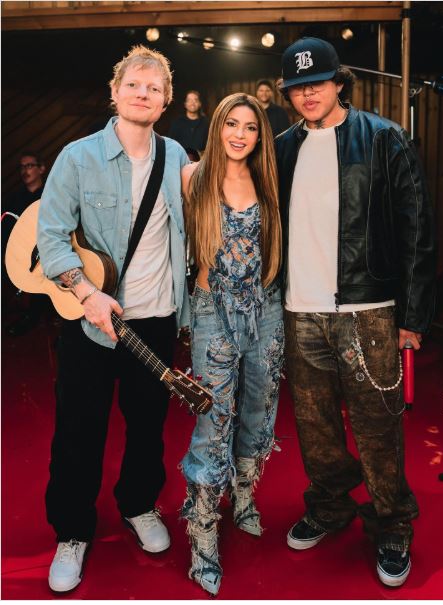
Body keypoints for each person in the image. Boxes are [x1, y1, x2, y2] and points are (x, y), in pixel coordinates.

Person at [275, 37, 436, 588]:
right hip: (300, 309)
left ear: (339, 82)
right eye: (298, 87)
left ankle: (392, 522)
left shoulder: (384, 138)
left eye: (317, 82)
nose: (308, 94)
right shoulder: (282, 148)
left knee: (377, 427)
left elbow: (418, 229)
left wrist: (413, 317)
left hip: (368, 310)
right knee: (314, 425)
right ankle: (330, 505)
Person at [37, 45, 189, 592]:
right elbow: (50, 238)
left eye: (154, 88)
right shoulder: (77, 157)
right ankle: (72, 532)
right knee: (79, 429)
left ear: (166, 100)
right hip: (91, 321)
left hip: (156, 319)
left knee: (148, 426)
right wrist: (86, 293)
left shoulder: (177, 156)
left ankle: (139, 505)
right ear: (115, 92)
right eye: (133, 85)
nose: (143, 94)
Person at [180, 92, 284, 596]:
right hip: (211, 310)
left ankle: (243, 494)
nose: (240, 134)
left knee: (260, 406)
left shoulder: (267, 179)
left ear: (260, 135)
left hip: (266, 307)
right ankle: (203, 532)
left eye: (250, 127)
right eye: (232, 124)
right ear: (217, 126)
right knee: (214, 416)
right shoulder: (191, 177)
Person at [2, 152, 47, 335]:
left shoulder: (50, 194)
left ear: (41, 169)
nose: (24, 171)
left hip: (44, 250)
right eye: (22, 167)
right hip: (19, 250)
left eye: (29, 166)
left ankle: (34, 315)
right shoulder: (14, 198)